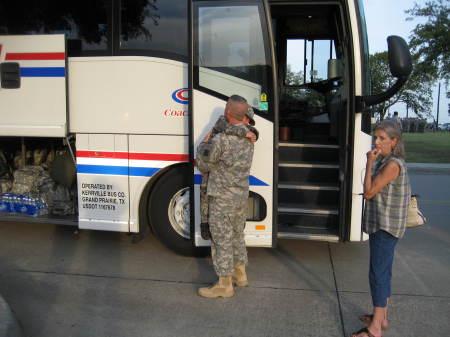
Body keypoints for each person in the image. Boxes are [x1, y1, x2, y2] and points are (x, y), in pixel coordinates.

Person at [352, 120, 411, 337]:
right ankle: (381, 318)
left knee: (378, 275)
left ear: (394, 141)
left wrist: (369, 163)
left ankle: (375, 329)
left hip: (385, 228)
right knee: (383, 273)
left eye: (382, 138)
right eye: (376, 137)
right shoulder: (388, 160)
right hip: (385, 225)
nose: (376, 142)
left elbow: (368, 192)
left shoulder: (392, 164)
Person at [196, 95, 255, 298]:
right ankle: (241, 275)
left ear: (227, 113)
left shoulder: (220, 139)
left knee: (221, 240)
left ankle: (224, 285)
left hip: (222, 198)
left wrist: (207, 140)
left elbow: (203, 165)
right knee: (237, 235)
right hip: (240, 196)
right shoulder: (249, 136)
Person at [199, 108, 258, 240]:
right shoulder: (223, 121)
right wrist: (243, 132)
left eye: (249, 120)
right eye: (246, 118)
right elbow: (224, 128)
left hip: (226, 177)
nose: (248, 122)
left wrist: (249, 132)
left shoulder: (246, 129)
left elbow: (254, 133)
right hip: (210, 161)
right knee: (205, 191)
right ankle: (204, 223)